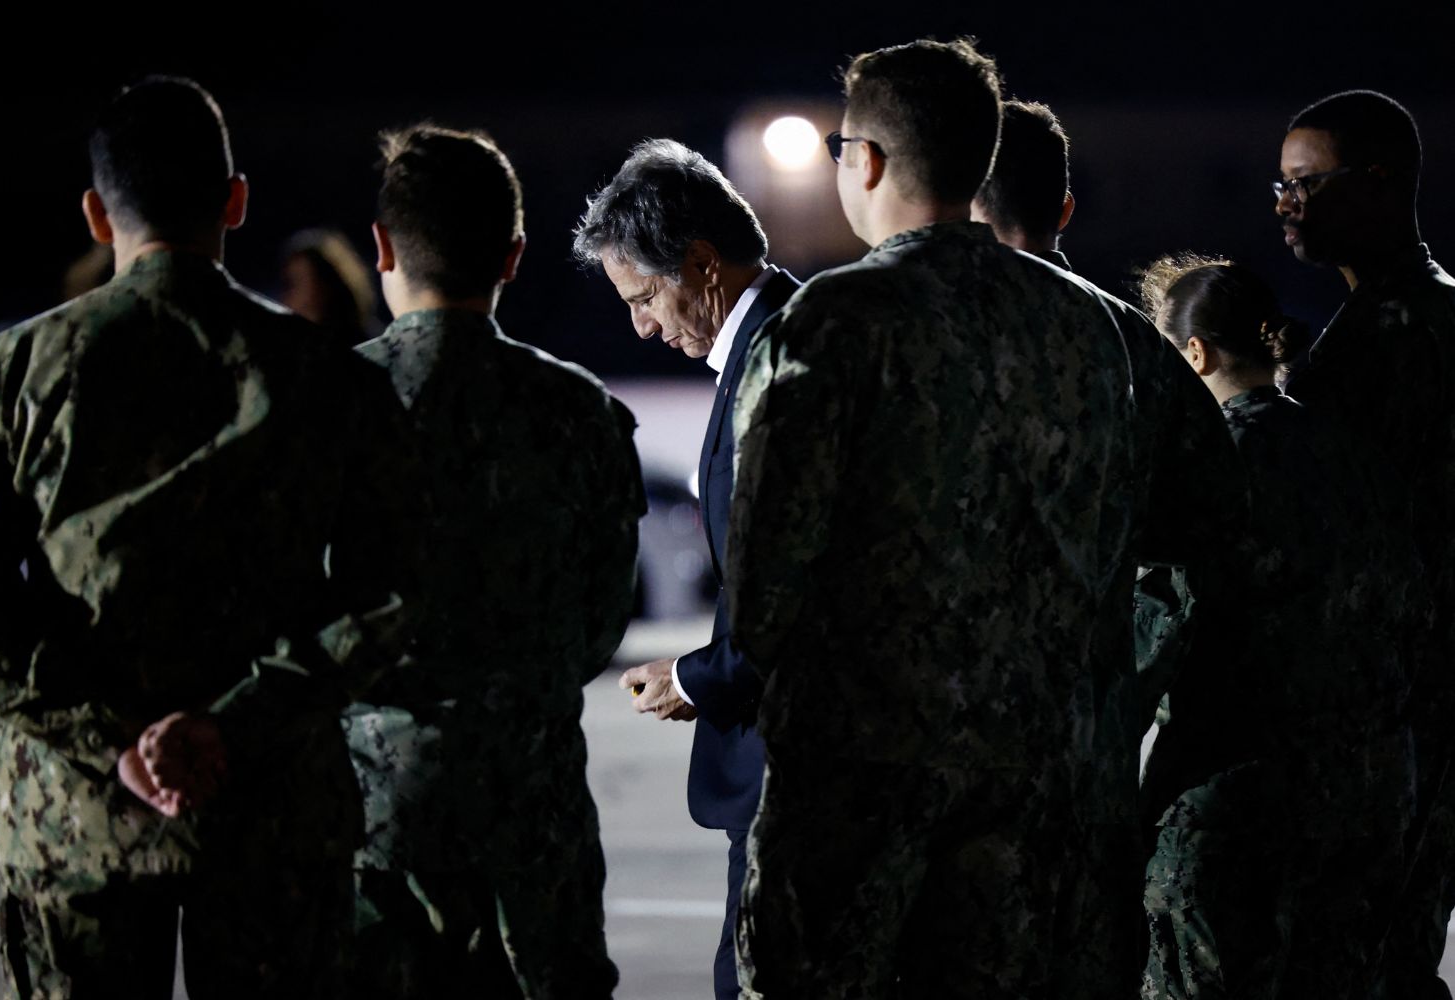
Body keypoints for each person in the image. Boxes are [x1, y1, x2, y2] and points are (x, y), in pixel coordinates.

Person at [726, 39, 1225, 998]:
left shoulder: (833, 321)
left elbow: (763, 582)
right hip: (1054, 803)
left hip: (868, 795)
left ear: (864, 161)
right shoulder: (1100, 327)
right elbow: (1208, 519)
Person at [0, 76, 423, 998]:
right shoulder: (326, 376)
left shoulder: (19, 369)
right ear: (236, 201)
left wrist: (111, 738)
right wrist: (233, 721)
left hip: (76, 818)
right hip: (270, 812)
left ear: (97, 213)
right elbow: (391, 592)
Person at [345, 124, 644, 999]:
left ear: (380, 249)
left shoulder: (330, 405)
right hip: (532, 807)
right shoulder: (579, 413)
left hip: (371, 812)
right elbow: (601, 622)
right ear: (513, 256)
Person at [973, 98, 1244, 998]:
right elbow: (1203, 535)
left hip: (942, 766)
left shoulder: (893, 326)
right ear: (1064, 211)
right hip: (1086, 764)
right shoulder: (1130, 343)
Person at [1137, 255, 1416, 998]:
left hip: (1234, 812)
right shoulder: (1354, 453)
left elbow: (1151, 639)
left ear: (1192, 355)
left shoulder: (1207, 465)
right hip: (1361, 798)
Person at [572, 137, 799, 1000]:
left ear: (702, 263)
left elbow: (797, 582)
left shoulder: (782, 361)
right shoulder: (777, 341)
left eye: (642, 296)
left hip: (793, 769)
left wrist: (702, 678)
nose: (638, 325)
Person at [1273, 89, 1455, 999]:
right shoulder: (1374, 322)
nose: (1286, 205)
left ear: (1378, 185)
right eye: (1281, 185)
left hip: (1398, 709)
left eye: (1307, 183)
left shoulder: (1413, 330)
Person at [278, 227, 380, 347]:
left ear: (325, 288)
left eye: (293, 285)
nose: (285, 299)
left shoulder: (372, 349)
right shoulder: (292, 348)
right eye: (286, 286)